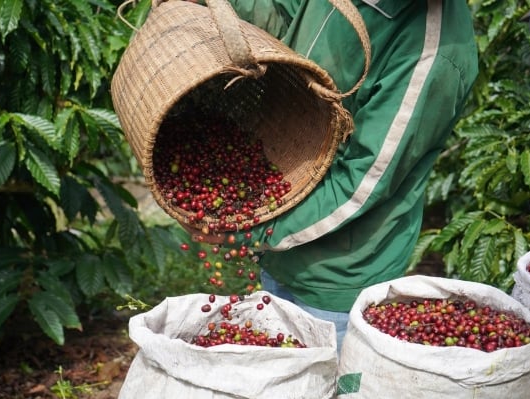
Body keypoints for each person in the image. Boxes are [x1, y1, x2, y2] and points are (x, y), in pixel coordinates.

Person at [184, 0, 479, 354]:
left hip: (336, 277)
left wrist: (250, 229)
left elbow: (363, 184)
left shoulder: (433, 55)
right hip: (280, 235)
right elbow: (283, 14)